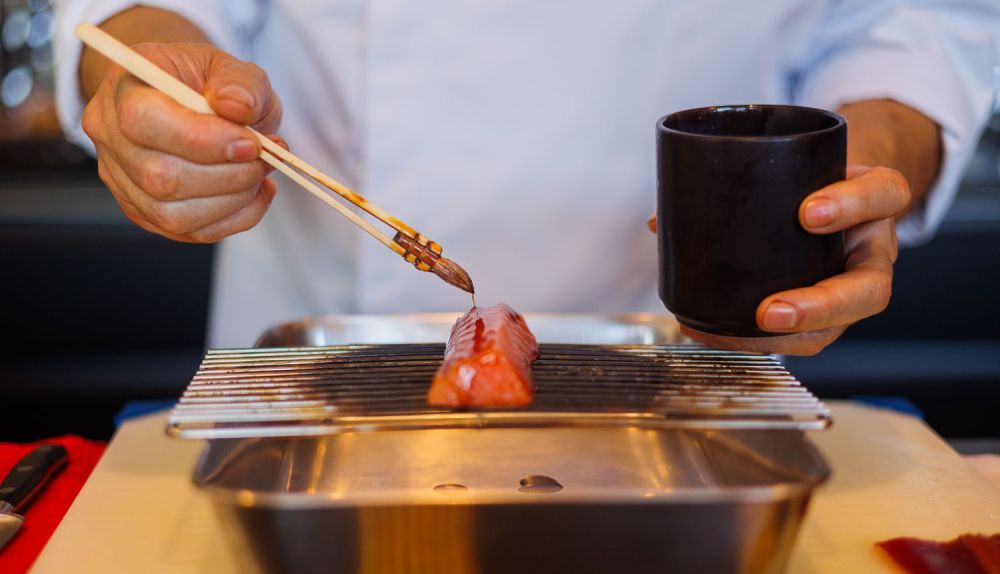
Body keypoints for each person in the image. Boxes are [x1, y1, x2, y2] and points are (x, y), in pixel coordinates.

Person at [53, 1, 998, 353]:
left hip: (716, 359)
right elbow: (130, 19)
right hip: (318, 354)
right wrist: (145, 68)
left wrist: (860, 165)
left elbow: (911, 22)